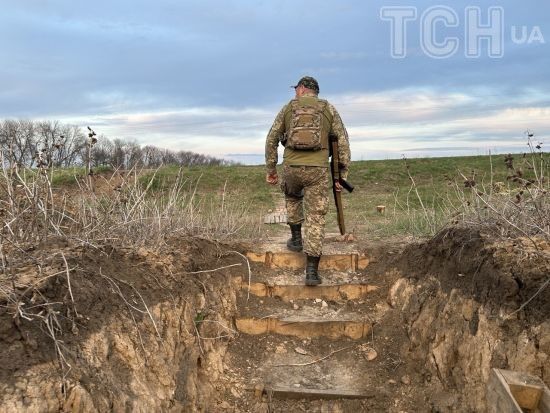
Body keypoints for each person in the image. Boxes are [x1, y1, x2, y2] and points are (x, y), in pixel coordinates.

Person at [265, 76, 351, 286]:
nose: (295, 92)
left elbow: (271, 138)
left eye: (296, 89)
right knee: (316, 217)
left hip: (291, 167)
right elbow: (343, 143)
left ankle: (296, 240)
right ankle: (311, 271)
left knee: (293, 197)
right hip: (318, 170)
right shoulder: (328, 109)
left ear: (303, 89)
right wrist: (342, 176)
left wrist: (271, 169)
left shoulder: (288, 108)